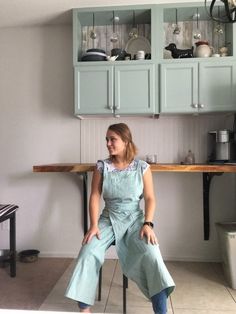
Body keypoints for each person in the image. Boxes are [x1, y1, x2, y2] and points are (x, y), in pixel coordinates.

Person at [65, 123, 175, 314]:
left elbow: (150, 198)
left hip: (135, 220)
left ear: (126, 141)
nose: (108, 143)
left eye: (112, 139)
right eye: (106, 139)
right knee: (87, 252)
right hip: (108, 218)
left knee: (152, 255)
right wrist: (93, 225)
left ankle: (161, 311)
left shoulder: (143, 167)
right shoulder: (102, 166)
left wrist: (148, 223)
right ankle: (84, 310)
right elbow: (94, 196)